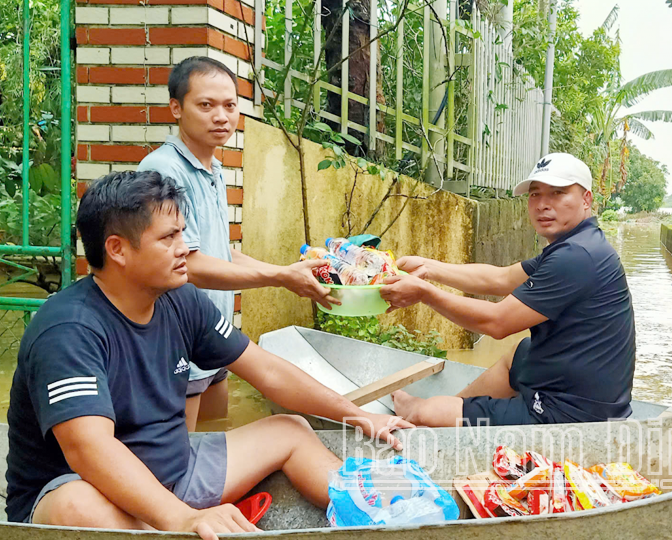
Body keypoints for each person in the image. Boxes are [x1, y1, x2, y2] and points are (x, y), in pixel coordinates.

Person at [4, 171, 411, 538]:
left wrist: (358, 415)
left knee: (289, 431)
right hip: (94, 492)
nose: (185, 248)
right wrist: (181, 518)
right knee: (78, 507)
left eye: (183, 233)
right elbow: (89, 451)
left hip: (176, 469)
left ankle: (384, 519)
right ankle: (180, 526)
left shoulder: (181, 299)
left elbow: (266, 370)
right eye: (169, 237)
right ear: (117, 249)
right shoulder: (69, 329)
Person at [138, 56, 338, 430]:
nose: (221, 116)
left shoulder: (213, 169)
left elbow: (219, 253)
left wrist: (288, 274)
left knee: (215, 437)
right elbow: (189, 266)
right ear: (176, 108)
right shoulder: (164, 171)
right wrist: (280, 277)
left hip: (213, 333)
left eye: (230, 106)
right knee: (180, 462)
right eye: (206, 105)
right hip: (177, 335)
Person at [379, 153, 636, 427]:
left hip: (571, 416)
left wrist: (424, 293)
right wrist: (429, 268)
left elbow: (497, 322)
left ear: (586, 199)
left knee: (424, 415)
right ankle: (456, 413)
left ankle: (429, 414)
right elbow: (500, 279)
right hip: (580, 386)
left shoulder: (576, 256)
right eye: (535, 195)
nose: (542, 205)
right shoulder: (579, 243)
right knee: (521, 353)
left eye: (558, 193)